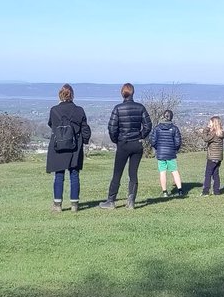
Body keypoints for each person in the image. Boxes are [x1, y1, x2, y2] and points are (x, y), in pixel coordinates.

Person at [99, 82, 152, 210]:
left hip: (123, 143)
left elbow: (112, 128)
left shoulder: (118, 108)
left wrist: (116, 140)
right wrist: (140, 136)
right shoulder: (140, 107)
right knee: (133, 173)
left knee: (117, 173)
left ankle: (111, 201)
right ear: (133, 93)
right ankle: (131, 200)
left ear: (122, 93)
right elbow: (148, 125)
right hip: (136, 144)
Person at [47, 84, 92, 212]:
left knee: (59, 175)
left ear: (60, 95)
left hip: (58, 146)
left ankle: (57, 205)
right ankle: (74, 204)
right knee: (74, 174)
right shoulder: (79, 110)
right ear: (72, 95)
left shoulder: (54, 110)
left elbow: (51, 124)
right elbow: (85, 129)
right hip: (75, 146)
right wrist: (85, 141)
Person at [151, 109, 184, 197]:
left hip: (161, 153)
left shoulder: (157, 128)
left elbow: (153, 141)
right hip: (171, 153)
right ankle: (180, 190)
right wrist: (174, 149)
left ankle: (165, 192)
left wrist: (158, 148)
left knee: (162, 172)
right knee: (174, 171)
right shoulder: (174, 128)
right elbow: (178, 142)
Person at [200, 115, 224, 196]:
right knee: (215, 174)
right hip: (219, 157)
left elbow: (205, 138)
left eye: (210, 123)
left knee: (208, 174)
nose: (209, 124)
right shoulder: (221, 133)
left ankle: (205, 191)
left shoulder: (213, 134)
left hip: (212, 157)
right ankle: (216, 191)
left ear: (213, 124)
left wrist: (206, 129)